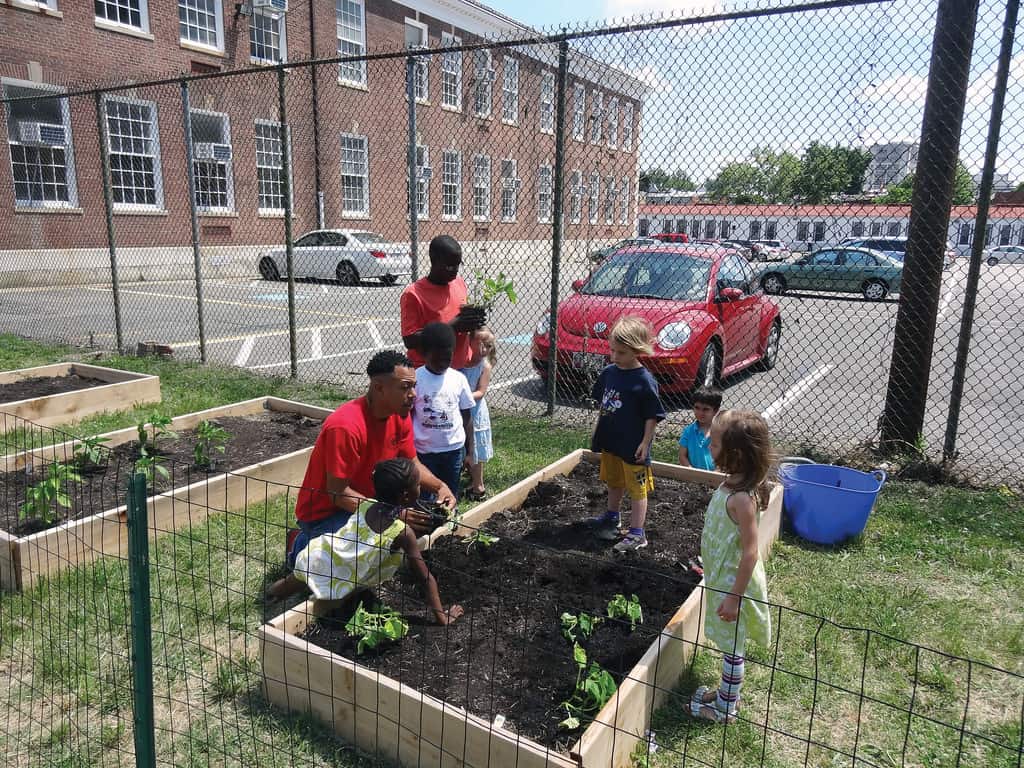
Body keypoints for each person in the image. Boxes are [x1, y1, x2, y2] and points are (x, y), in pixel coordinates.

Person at [284, 350, 455, 570]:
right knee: (352, 562)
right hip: (327, 513)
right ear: (379, 388)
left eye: (414, 386)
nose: (413, 394)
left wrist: (441, 486)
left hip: (370, 502)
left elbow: (412, 463)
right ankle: (300, 544)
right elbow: (338, 495)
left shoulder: (399, 415)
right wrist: (393, 514)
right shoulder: (346, 427)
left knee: (427, 510)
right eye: (405, 387)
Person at [293, 458, 465, 625]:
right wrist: (442, 617)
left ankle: (269, 598)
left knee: (291, 583)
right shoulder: (403, 533)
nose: (420, 487)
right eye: (418, 485)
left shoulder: (367, 505)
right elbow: (424, 577)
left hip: (324, 554)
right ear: (405, 496)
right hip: (343, 573)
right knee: (314, 589)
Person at [690, 409, 773, 724]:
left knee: (733, 648)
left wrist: (735, 596)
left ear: (735, 455)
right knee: (729, 645)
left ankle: (726, 708)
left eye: (714, 444)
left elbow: (750, 553)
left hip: (733, 583)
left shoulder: (741, 499)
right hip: (722, 576)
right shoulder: (731, 484)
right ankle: (725, 692)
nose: (708, 445)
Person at [587, 316, 666, 553]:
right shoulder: (610, 373)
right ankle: (612, 516)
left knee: (636, 488)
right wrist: (598, 430)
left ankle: (637, 533)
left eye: (620, 352)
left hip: (633, 446)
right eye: (612, 350)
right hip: (612, 441)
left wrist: (645, 442)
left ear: (636, 350)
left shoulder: (644, 381)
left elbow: (652, 415)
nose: (614, 357)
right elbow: (604, 404)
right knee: (614, 480)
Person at [401, 235, 485, 371]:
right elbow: (410, 340)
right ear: (434, 260)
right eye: (450, 266)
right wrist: (452, 326)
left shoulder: (459, 283)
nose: (456, 270)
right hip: (429, 371)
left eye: (458, 264)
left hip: (460, 366)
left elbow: (462, 323)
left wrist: (474, 321)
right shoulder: (413, 294)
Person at [413, 322, 475, 503]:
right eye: (437, 359)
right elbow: (407, 416)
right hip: (424, 452)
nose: (442, 364)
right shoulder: (416, 379)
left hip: (452, 450)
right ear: (424, 354)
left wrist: (470, 452)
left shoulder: (458, 379)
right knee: (424, 496)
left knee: (449, 494)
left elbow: (467, 417)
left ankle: (448, 527)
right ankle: (426, 526)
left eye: (447, 359)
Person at [461, 327, 496, 501]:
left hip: (475, 411)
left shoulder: (484, 366)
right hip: (459, 411)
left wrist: (459, 395)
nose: (484, 349)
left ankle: (478, 487)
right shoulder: (460, 363)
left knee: (475, 451)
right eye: (480, 344)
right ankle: (465, 475)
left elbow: (480, 392)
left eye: (488, 345)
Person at [678, 386, 723, 470]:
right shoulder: (688, 431)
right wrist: (692, 471)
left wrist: (716, 474)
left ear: (716, 411)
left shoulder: (720, 432)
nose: (700, 413)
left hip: (714, 478)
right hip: (692, 477)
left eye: (706, 409)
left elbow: (725, 458)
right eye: (697, 408)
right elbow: (682, 456)